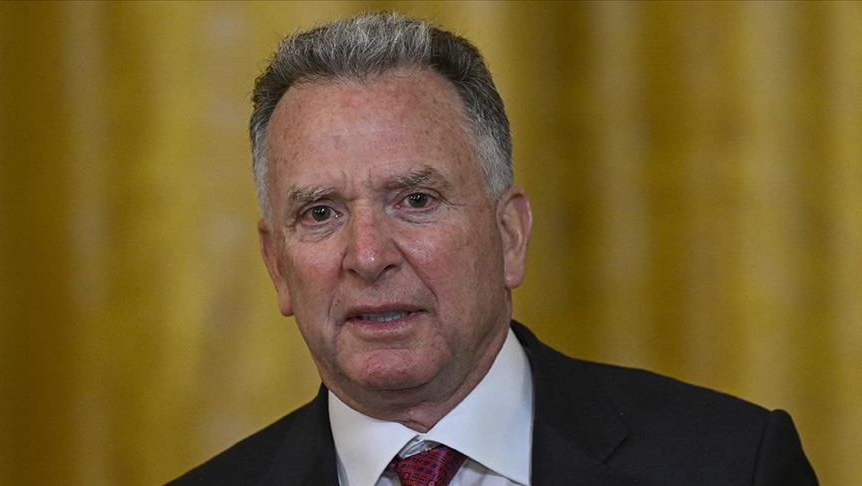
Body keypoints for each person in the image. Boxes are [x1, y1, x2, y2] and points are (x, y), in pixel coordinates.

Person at [170, 12, 817, 486]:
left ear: (509, 235)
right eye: (320, 213)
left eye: (415, 200)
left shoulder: (730, 465)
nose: (367, 256)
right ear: (277, 266)